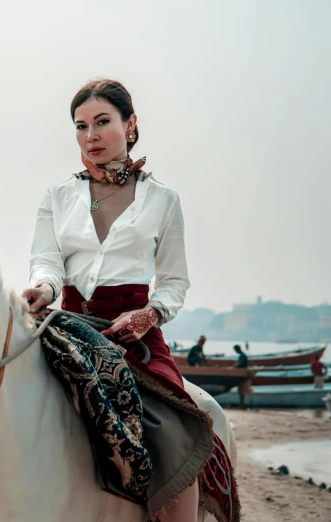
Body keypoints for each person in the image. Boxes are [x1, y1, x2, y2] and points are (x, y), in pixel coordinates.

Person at [22, 79, 199, 522]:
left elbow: (174, 283)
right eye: (81, 126)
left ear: (131, 124)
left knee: (178, 426)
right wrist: (42, 290)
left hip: (134, 333)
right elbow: (46, 263)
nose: (91, 136)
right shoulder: (57, 197)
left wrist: (148, 315)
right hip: (68, 324)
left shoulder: (163, 200)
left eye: (103, 122)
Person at [234, 344, 253, 408]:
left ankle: (242, 404)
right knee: (241, 390)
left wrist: (233, 367)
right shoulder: (242, 355)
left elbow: (239, 364)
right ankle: (242, 404)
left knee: (242, 390)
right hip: (241, 375)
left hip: (243, 375)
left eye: (236, 350)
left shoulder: (243, 356)